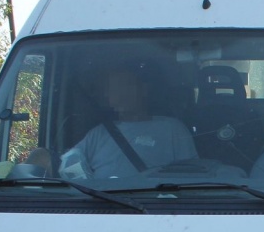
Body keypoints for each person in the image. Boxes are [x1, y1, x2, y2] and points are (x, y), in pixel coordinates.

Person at [60, 63, 198, 179]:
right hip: (100, 204)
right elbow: (69, 162)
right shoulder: (98, 134)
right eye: (114, 89)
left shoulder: (172, 128)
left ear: (143, 89)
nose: (120, 94)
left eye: (126, 85)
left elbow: (191, 175)